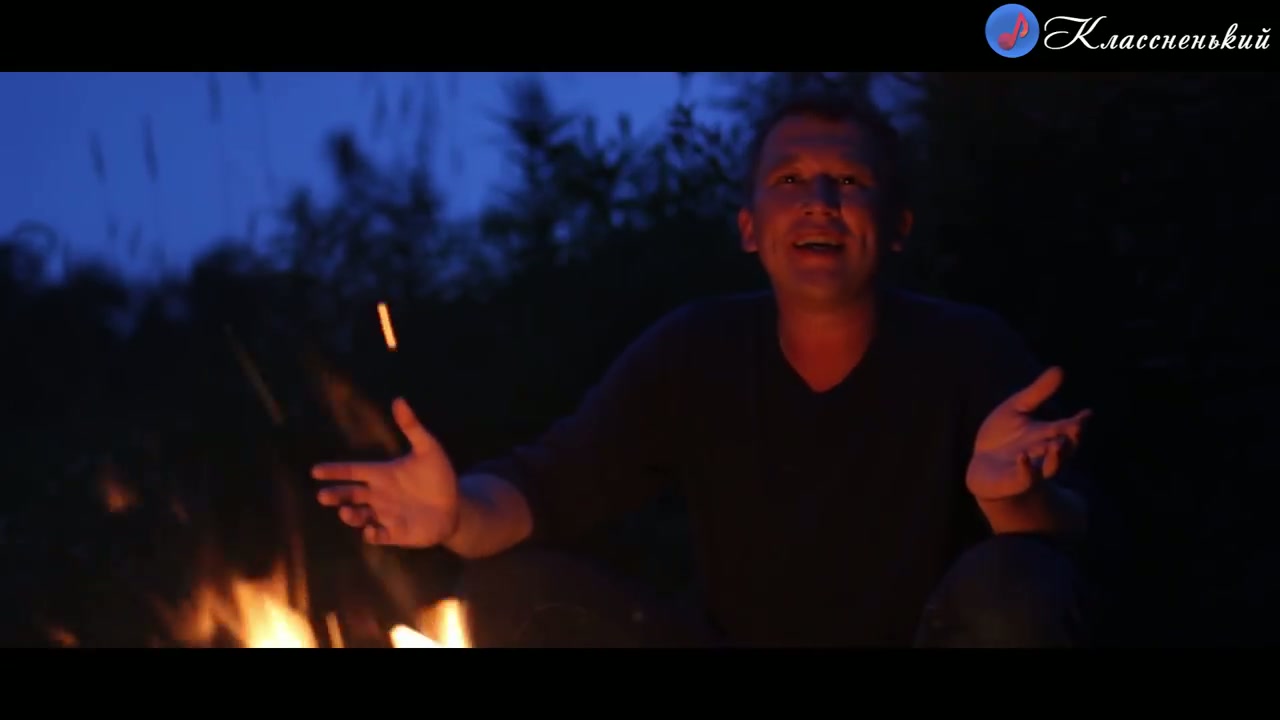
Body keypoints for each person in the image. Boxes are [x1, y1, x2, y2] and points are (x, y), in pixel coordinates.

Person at [311, 92, 1098, 648]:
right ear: (750, 228)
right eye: (789, 179)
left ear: (897, 227)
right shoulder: (696, 349)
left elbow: (1073, 545)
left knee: (1016, 580)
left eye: (851, 181)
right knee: (512, 590)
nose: (820, 199)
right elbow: (549, 485)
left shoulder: (966, 347)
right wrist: (455, 515)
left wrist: (1012, 496)